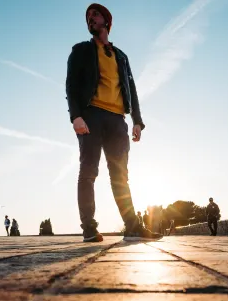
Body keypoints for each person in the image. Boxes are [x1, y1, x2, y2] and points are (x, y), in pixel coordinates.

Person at [67, 3, 162, 243]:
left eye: (95, 14)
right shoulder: (80, 50)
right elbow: (71, 86)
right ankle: (88, 227)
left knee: (121, 176)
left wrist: (137, 121)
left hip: (118, 121)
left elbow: (131, 89)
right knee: (88, 172)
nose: (90, 18)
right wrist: (75, 116)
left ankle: (132, 227)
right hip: (91, 117)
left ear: (107, 22)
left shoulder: (121, 56)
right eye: (88, 16)